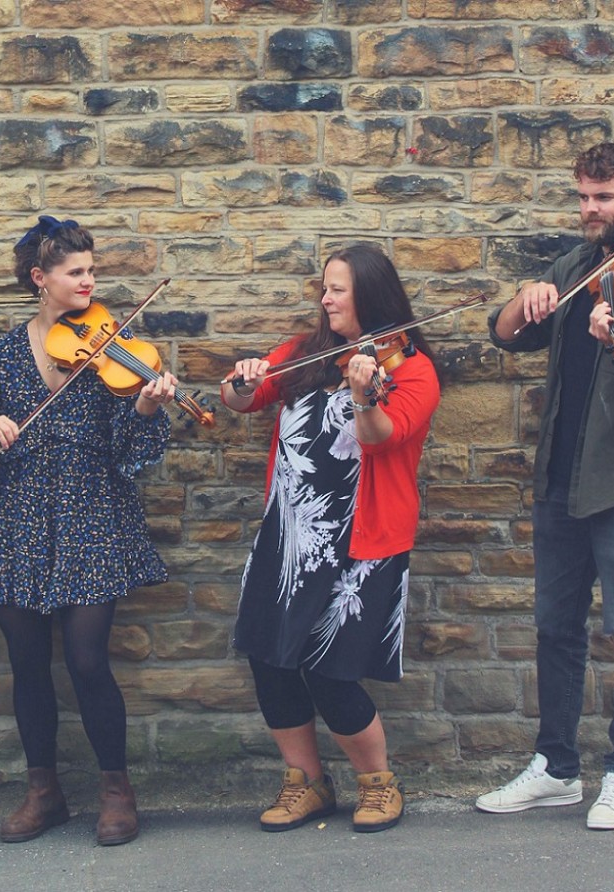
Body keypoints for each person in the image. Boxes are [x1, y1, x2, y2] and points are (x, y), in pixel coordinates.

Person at [478, 143, 614, 829]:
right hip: (562, 479)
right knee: (556, 629)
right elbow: (505, 335)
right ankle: (556, 769)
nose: (589, 209)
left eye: (603, 197)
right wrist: (525, 298)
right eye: (582, 196)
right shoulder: (573, 269)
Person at [0, 215, 177, 847]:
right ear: (39, 279)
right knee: (26, 665)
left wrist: (147, 404)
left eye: (91, 270)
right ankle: (42, 793)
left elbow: (129, 455)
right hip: (19, 519)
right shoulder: (2, 353)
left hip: (91, 515)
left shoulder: (112, 349)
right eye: (76, 272)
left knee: (86, 660)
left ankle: (115, 790)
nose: (89, 281)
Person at [221, 243, 441, 834]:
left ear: (368, 293)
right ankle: (306, 782)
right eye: (325, 287)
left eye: (337, 289)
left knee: (332, 670)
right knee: (269, 660)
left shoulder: (413, 369)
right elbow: (241, 399)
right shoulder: (304, 353)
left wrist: (365, 393)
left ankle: (378, 784)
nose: (325, 298)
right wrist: (242, 381)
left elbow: (380, 437)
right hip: (287, 535)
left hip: (362, 544)